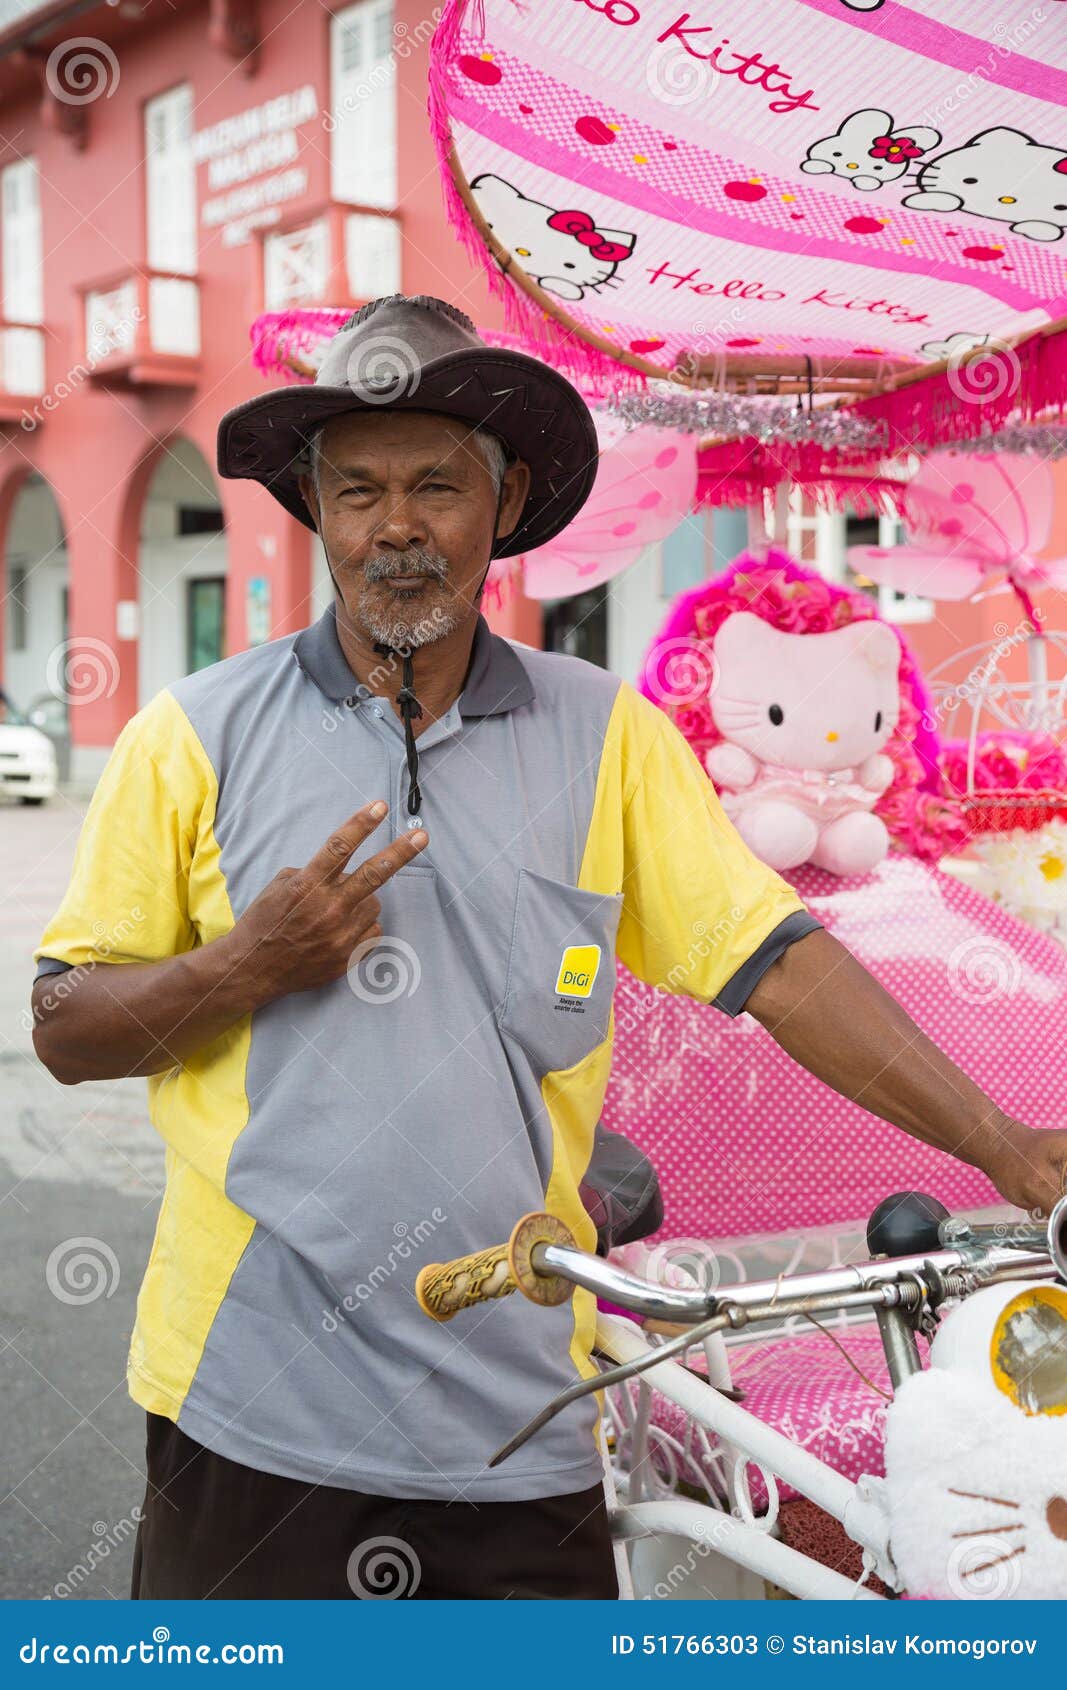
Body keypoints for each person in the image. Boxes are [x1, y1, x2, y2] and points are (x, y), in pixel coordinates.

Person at [31, 294, 1066, 1601]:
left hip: (520, 1429)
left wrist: (1003, 1143)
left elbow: (780, 960)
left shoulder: (606, 736)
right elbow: (65, 1026)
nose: (394, 526)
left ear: (505, 497)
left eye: (433, 485)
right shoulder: (192, 736)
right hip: (255, 1413)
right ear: (315, 509)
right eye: (355, 491)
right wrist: (246, 963)